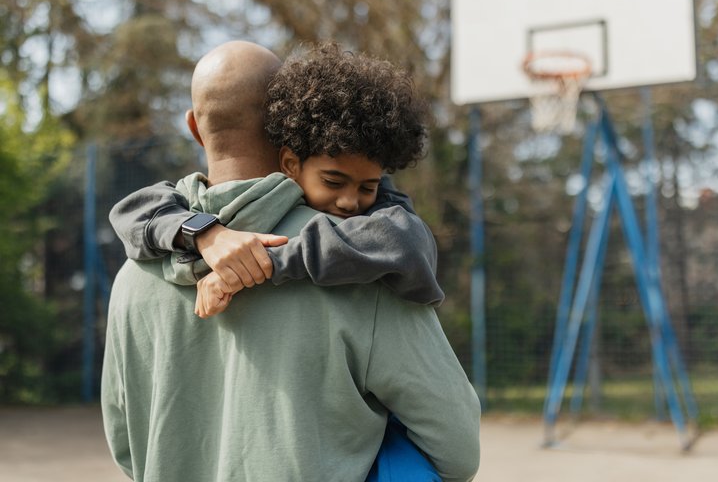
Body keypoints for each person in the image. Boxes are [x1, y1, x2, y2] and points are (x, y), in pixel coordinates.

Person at [101, 41, 481, 482]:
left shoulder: (133, 275)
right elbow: (457, 449)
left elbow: (127, 448)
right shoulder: (364, 261)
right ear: (289, 129)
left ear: (194, 127)